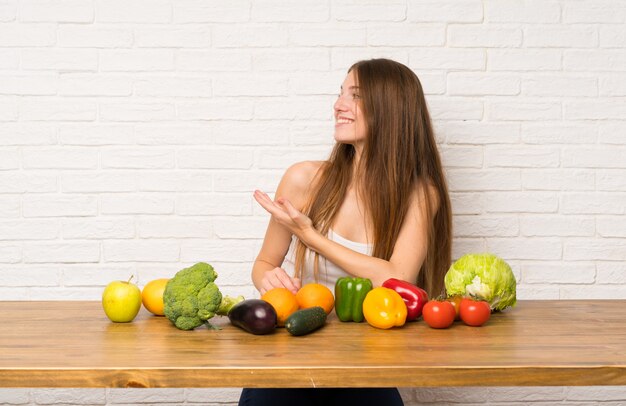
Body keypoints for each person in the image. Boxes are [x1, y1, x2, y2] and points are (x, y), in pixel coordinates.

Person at [240, 58, 452, 406]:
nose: (338, 105)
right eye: (340, 94)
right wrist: (268, 279)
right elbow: (264, 262)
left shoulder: (419, 193)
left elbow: (399, 279)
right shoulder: (303, 179)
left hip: (369, 362)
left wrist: (312, 237)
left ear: (391, 108)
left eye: (355, 95)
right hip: (291, 355)